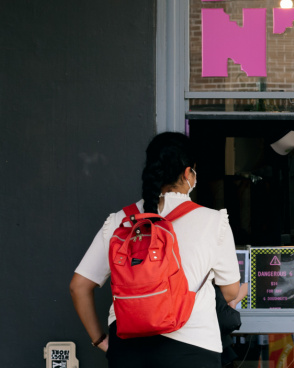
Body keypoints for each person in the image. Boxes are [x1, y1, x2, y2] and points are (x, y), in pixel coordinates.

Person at [70, 132, 242, 368]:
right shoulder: (214, 221)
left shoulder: (120, 220)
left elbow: (78, 286)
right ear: (187, 173)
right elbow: (230, 292)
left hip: (127, 349)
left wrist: (100, 340)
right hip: (193, 349)